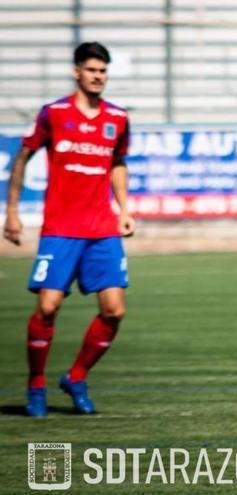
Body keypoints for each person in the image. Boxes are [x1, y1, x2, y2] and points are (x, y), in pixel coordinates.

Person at [3, 42, 134, 417]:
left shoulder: (118, 117)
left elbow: (118, 162)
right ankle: (36, 386)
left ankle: (76, 376)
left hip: (102, 229)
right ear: (77, 72)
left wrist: (124, 209)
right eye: (92, 70)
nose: (98, 77)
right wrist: (11, 212)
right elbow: (24, 156)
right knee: (48, 307)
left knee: (114, 311)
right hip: (60, 228)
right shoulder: (54, 114)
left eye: (103, 71)